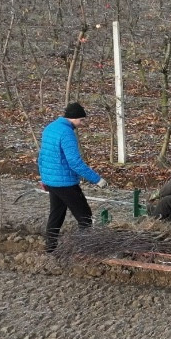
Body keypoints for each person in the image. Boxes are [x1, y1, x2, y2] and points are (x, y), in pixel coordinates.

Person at [38, 102, 107, 252]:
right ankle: (85, 249)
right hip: (65, 183)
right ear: (73, 117)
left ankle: (50, 248)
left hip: (52, 182)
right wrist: (97, 179)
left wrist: (44, 179)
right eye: (81, 120)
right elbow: (75, 162)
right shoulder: (67, 133)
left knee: (56, 214)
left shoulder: (50, 128)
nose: (82, 124)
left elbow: (42, 156)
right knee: (85, 217)